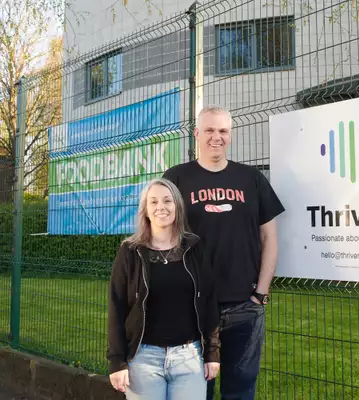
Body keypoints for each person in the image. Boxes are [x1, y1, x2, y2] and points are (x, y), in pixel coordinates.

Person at [163, 106, 285, 400]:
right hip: (192, 307)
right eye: (209, 130)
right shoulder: (176, 179)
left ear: (230, 135)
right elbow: (162, 239)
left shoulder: (251, 179)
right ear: (196, 134)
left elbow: (269, 237)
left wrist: (261, 294)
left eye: (223, 131)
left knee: (240, 391)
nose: (216, 137)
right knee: (193, 391)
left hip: (245, 307)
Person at [106, 178, 221, 400]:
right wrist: (117, 361)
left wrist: (212, 353)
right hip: (143, 359)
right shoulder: (130, 252)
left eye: (168, 201)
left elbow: (209, 302)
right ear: (146, 211)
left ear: (177, 206)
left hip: (189, 357)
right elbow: (116, 307)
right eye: (154, 202)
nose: (161, 207)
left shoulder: (195, 247)